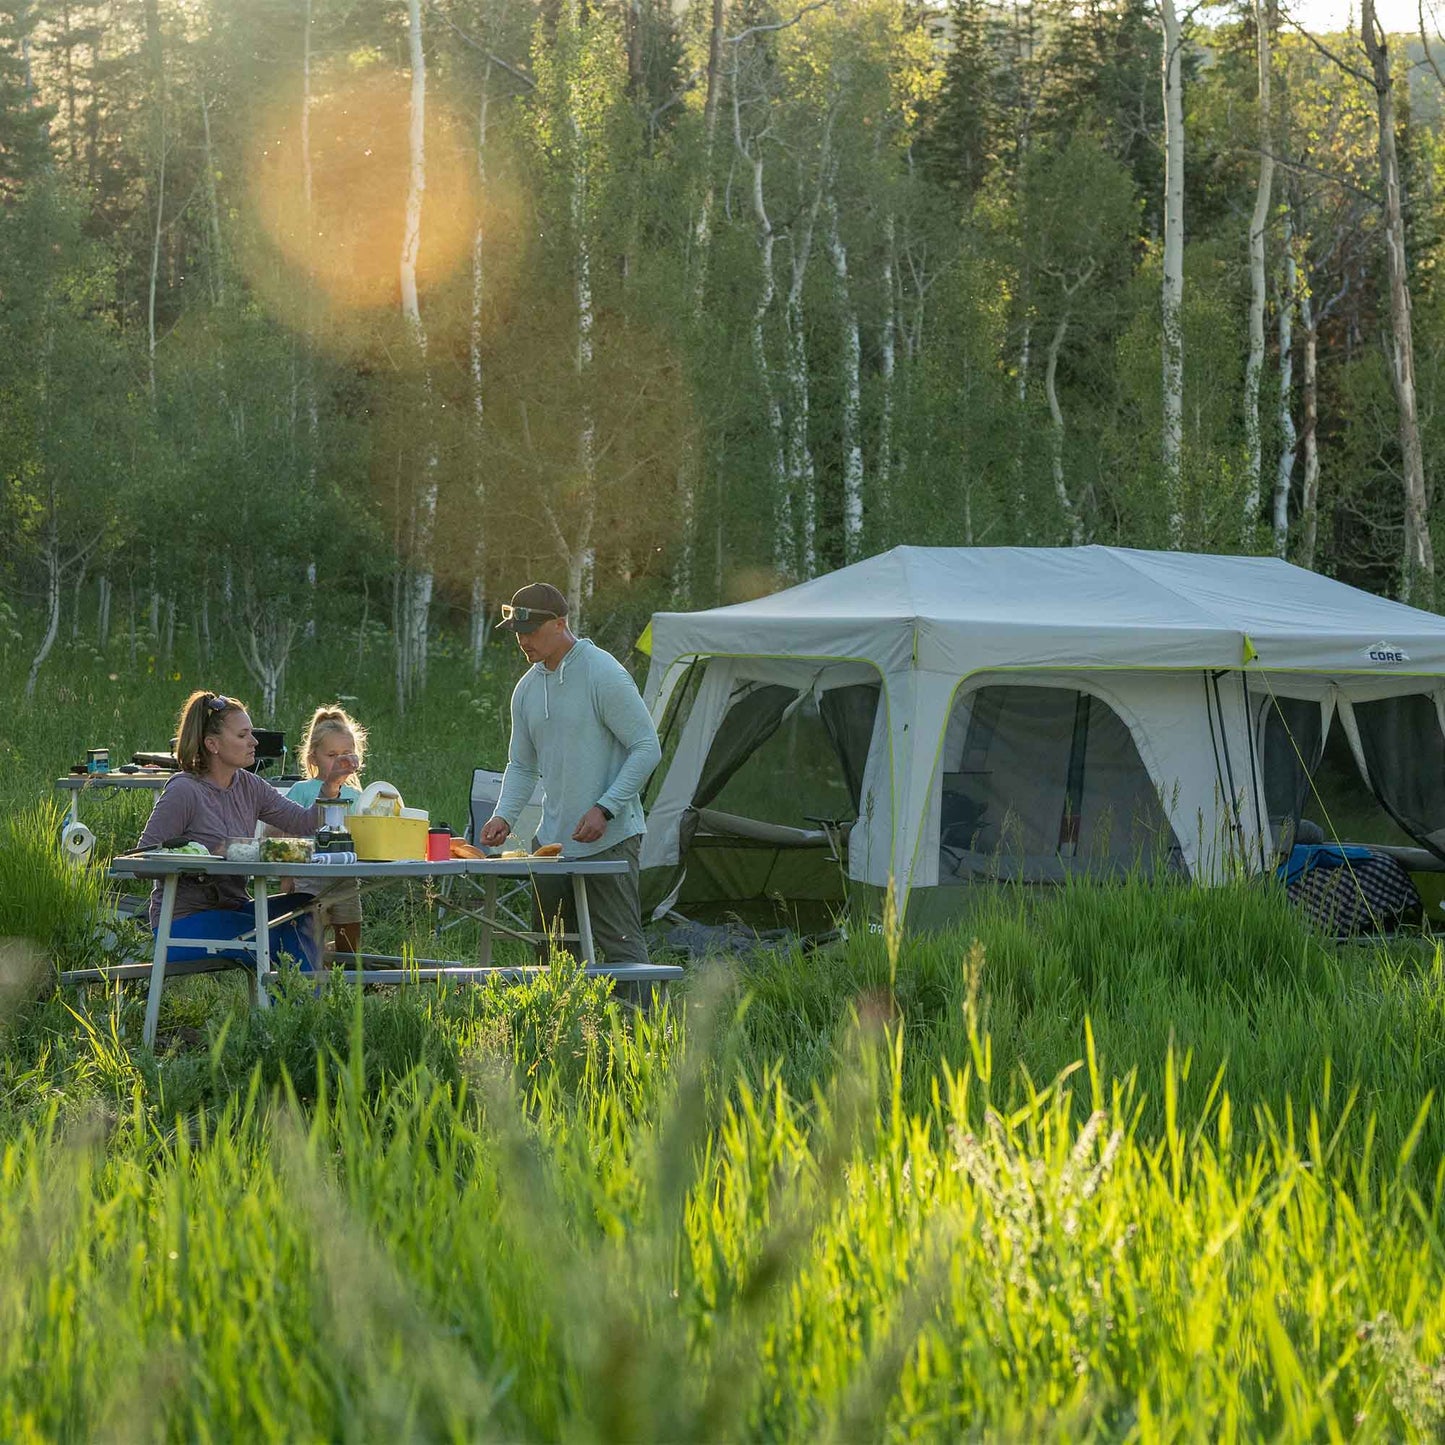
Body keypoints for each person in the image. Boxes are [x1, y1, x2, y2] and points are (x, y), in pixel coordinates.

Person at [480, 582, 662, 965]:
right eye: (518, 634)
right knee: (554, 953)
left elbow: (647, 747)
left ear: (560, 623)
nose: (523, 642)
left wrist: (606, 808)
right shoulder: (526, 690)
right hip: (550, 846)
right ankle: (564, 1026)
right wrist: (503, 815)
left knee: (620, 949)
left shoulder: (602, 672)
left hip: (609, 838)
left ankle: (643, 1024)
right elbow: (522, 765)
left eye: (530, 633)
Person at [135, 691, 353, 971]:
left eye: (252, 733)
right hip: (184, 921)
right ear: (212, 744)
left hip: (235, 908)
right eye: (243, 735)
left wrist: (332, 783)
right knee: (282, 934)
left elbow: (304, 822)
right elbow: (142, 862)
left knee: (306, 908)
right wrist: (200, 860)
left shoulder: (251, 786)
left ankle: (299, 1009)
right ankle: (300, 1011)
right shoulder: (184, 790)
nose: (254, 742)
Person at [285, 704, 366, 961]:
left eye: (347, 754)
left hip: (345, 878)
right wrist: (286, 876)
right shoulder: (301, 790)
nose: (340, 761)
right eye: (332, 755)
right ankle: (314, 982)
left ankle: (347, 981)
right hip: (307, 877)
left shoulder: (358, 797)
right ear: (313, 757)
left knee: (349, 942)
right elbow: (286, 834)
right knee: (309, 942)